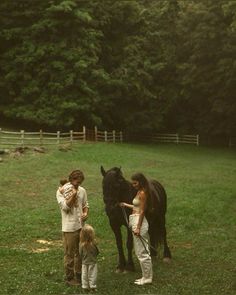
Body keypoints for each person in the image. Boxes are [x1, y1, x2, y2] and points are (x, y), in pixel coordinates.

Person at [56, 170, 89, 286]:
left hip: (80, 226)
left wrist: (86, 213)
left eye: (79, 183)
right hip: (69, 228)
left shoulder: (82, 190)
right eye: (75, 183)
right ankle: (69, 278)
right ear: (70, 180)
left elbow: (85, 205)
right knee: (69, 254)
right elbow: (65, 207)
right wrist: (74, 194)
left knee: (80, 252)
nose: (77, 185)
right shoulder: (61, 191)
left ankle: (79, 275)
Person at [120, 173, 153, 285]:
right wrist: (125, 205)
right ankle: (145, 276)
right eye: (132, 183)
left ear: (140, 181)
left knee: (142, 252)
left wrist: (138, 227)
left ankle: (147, 278)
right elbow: (137, 207)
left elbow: (142, 211)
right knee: (140, 251)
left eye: (135, 183)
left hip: (139, 222)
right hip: (135, 220)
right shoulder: (139, 192)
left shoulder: (143, 193)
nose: (133, 185)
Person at [79, 224, 99, 292]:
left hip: (84, 262)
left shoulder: (82, 245)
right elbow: (97, 251)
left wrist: (83, 258)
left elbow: (80, 253)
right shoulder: (94, 244)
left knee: (84, 274)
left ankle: (85, 286)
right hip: (93, 262)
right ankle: (92, 286)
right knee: (93, 274)